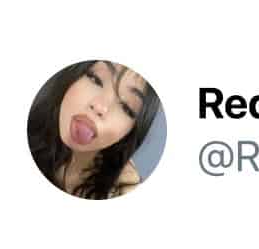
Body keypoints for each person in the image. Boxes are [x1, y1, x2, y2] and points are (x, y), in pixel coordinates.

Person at [27, 60, 160, 198]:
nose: (100, 107)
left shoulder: (124, 191)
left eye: (126, 107)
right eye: (95, 79)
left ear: (130, 132)